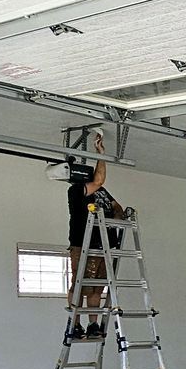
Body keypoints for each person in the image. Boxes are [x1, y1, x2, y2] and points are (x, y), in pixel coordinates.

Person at [65, 132, 130, 340]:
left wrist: (118, 217)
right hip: (83, 245)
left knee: (97, 288)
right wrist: (100, 154)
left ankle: (92, 324)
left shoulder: (102, 192)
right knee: (79, 286)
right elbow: (99, 180)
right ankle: (75, 325)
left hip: (104, 246)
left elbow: (116, 206)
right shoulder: (76, 191)